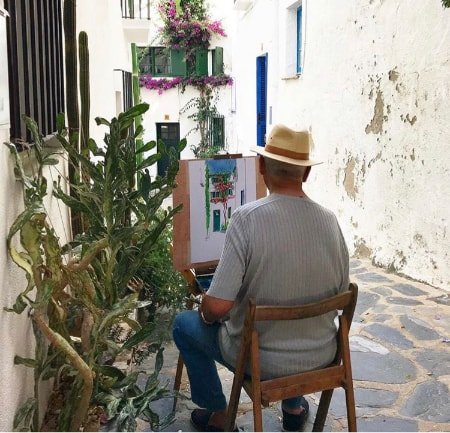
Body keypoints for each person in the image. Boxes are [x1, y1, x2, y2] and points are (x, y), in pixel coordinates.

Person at [172, 124, 349, 432]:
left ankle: (218, 414)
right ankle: (294, 406)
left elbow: (216, 309)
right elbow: (340, 293)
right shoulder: (330, 222)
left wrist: (203, 308)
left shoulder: (246, 219)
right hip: (322, 354)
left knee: (184, 325)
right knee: (295, 318)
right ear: (305, 173)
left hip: (260, 360)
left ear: (262, 165)